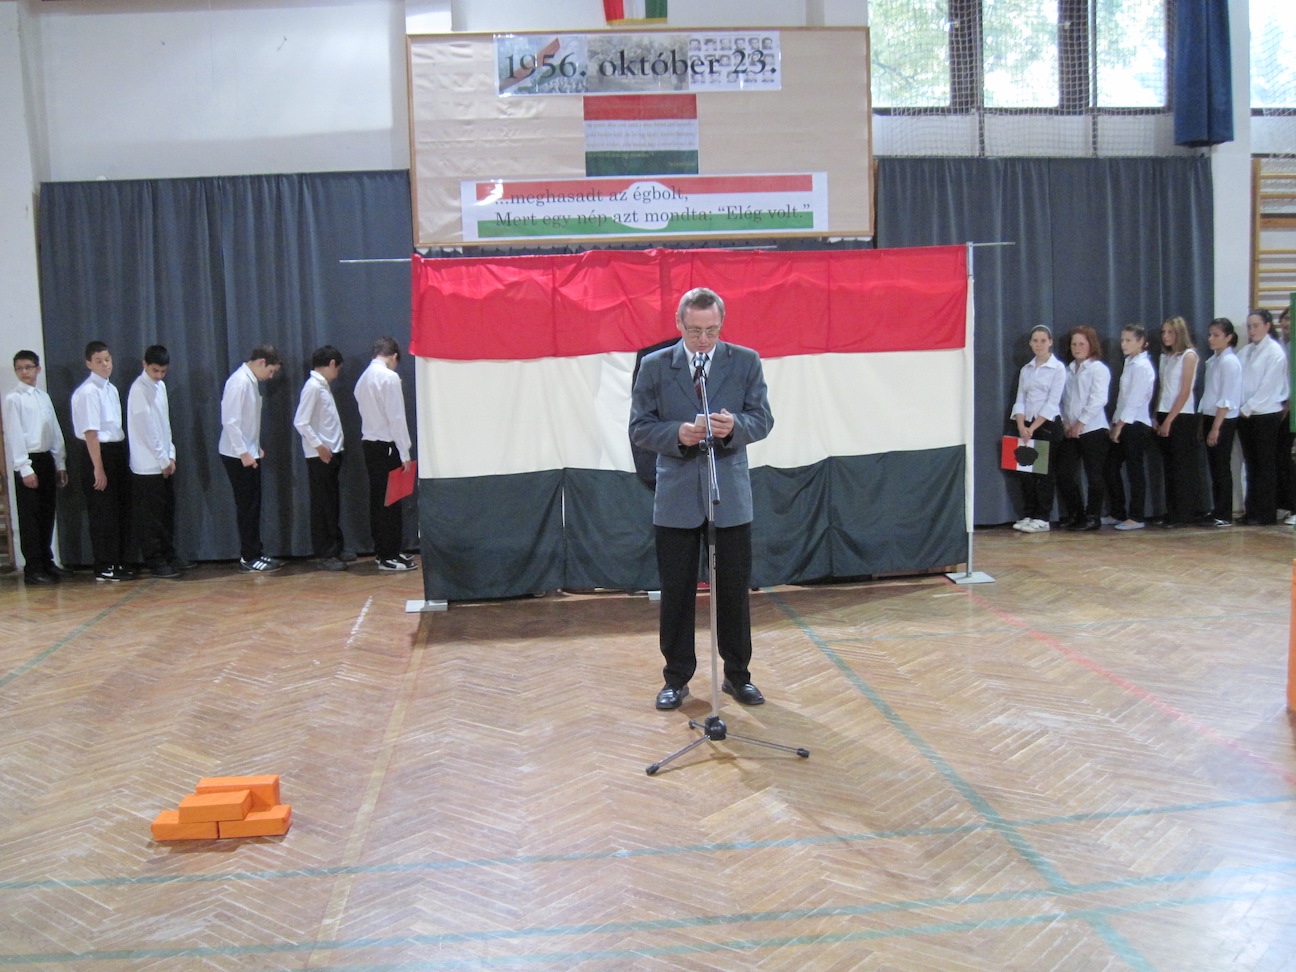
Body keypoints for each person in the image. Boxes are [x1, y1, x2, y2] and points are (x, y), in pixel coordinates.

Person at [629, 287, 774, 711]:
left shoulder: (745, 361)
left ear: (721, 324)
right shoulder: (655, 365)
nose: (704, 340)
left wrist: (735, 427)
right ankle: (676, 679)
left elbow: (763, 419)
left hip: (727, 494)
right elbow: (639, 428)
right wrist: (676, 434)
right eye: (695, 331)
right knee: (677, 593)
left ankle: (738, 676)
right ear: (680, 324)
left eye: (712, 330)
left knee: (733, 592)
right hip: (676, 497)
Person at [3, 351, 70, 584]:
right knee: (30, 516)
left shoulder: (43, 397)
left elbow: (53, 430)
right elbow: (14, 434)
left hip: (45, 458)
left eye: (28, 367)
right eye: (20, 368)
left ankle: (47, 561)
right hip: (29, 460)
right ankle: (33, 568)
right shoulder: (13, 399)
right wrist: (24, 467)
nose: (24, 372)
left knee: (46, 512)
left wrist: (59, 461)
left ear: (37, 369)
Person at [71, 340, 135, 581]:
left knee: (118, 509)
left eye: (107, 359)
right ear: (89, 364)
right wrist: (98, 468)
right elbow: (91, 432)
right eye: (99, 361)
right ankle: (104, 564)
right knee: (102, 512)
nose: (105, 365)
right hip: (97, 453)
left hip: (115, 450)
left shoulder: (111, 389)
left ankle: (118, 561)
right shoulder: (88, 392)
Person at [219, 344, 284, 571]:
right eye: (270, 371)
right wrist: (244, 453)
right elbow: (230, 422)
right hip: (237, 455)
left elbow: (247, 420)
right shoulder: (239, 382)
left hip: (248, 452)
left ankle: (256, 552)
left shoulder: (250, 381)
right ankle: (249, 557)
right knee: (247, 507)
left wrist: (255, 448)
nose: (271, 376)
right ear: (261, 362)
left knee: (254, 506)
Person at [127, 344, 190, 578]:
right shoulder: (138, 390)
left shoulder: (160, 387)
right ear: (145, 365)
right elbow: (147, 430)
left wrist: (170, 454)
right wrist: (163, 459)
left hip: (164, 461)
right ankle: (154, 560)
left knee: (165, 513)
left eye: (163, 371)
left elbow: (164, 424)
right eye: (155, 370)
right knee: (150, 517)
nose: (159, 375)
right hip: (147, 465)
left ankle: (168, 554)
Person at [355, 336, 416, 572]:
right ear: (394, 356)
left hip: (370, 445)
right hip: (388, 445)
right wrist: (405, 451)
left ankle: (385, 551)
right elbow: (396, 417)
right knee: (391, 501)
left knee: (379, 500)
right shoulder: (388, 378)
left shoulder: (363, 379)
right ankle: (389, 554)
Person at [293, 345, 348, 571]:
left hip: (330, 453)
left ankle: (335, 547)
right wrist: (319, 446)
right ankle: (325, 552)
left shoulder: (321, 386)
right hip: (320, 456)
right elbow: (301, 421)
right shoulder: (313, 387)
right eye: (338, 368)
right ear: (332, 363)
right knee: (323, 504)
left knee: (331, 502)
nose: (338, 373)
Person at [1008, 325, 1065, 533]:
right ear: (1030, 343)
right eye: (1035, 341)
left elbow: (1052, 402)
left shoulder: (1058, 368)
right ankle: (1029, 513)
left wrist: (1032, 427)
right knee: (1026, 472)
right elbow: (1020, 399)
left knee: (1044, 474)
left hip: (1046, 425)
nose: (1039, 344)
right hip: (1026, 426)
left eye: (1043, 340)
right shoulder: (1026, 369)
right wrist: (1021, 425)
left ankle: (1042, 517)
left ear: (1050, 342)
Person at [1236, 309, 1289, 525]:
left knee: (1265, 465)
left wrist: (1247, 407)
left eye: (1256, 325)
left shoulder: (1275, 352)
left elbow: (1268, 387)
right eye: (1249, 326)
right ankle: (1252, 511)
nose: (1252, 330)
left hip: (1265, 414)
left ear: (1267, 326)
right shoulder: (1246, 351)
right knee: (1251, 464)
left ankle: (1266, 514)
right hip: (1246, 414)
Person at [1153, 316, 1207, 527]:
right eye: (1163, 332)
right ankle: (1171, 511)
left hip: (1181, 416)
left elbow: (1185, 391)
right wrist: (1156, 415)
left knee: (1181, 468)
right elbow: (1163, 388)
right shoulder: (1166, 357)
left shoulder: (1189, 355)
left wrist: (1169, 421)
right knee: (1169, 467)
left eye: (1170, 332)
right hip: (1164, 412)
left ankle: (1183, 514)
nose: (1165, 336)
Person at [1056, 326, 1111, 531]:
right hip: (1070, 430)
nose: (1077, 348)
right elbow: (1061, 400)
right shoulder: (1067, 370)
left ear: (1091, 345)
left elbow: (1099, 399)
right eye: (1074, 344)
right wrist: (1065, 422)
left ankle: (1093, 516)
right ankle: (1076, 513)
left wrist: (1081, 422)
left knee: (1094, 475)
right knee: (1064, 473)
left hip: (1093, 429)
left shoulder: (1098, 369)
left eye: (1081, 344)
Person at [1104, 325, 1156, 531]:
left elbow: (1135, 400)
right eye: (1122, 340)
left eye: (1128, 340)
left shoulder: (1142, 366)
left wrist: (1120, 425)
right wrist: (1115, 422)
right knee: (1111, 467)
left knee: (1135, 471)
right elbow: (1123, 398)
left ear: (1141, 342)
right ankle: (1117, 511)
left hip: (1136, 424)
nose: (1123, 344)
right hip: (1124, 422)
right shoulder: (1130, 363)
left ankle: (1136, 516)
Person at [1201, 318, 1242, 527]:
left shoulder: (1229, 362)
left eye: (1216, 335)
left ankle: (1224, 513)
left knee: (1221, 466)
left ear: (1228, 337)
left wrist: (1216, 427)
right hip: (1211, 416)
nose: (1211, 339)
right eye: (1210, 334)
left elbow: (1226, 397)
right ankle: (1217, 508)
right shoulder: (1214, 360)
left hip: (1223, 419)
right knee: (1215, 467)